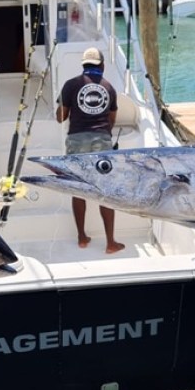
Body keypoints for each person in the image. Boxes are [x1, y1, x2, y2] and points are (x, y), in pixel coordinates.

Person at [57, 46, 126, 254]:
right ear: (102, 65)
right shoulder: (109, 87)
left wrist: (64, 102)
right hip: (102, 141)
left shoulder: (70, 85)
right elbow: (111, 120)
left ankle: (81, 237)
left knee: (78, 189)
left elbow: (61, 117)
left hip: (76, 140)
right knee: (105, 190)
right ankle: (111, 242)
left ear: (83, 66)